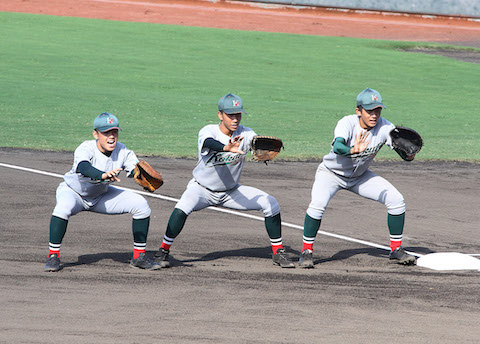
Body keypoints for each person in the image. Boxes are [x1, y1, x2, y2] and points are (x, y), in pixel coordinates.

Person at [153, 93, 294, 268]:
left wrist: (260, 151)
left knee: (270, 204)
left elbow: (255, 143)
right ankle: (163, 251)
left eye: (238, 114)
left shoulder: (246, 133)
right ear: (220, 115)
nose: (235, 119)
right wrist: (226, 147)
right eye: (230, 115)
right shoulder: (208, 131)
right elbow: (209, 143)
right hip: (201, 190)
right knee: (181, 209)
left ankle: (278, 253)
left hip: (231, 192)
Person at [298, 88, 417, 268]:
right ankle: (306, 252)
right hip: (331, 174)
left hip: (360, 177)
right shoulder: (346, 123)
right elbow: (338, 146)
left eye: (377, 110)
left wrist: (409, 156)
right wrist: (352, 150)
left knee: (396, 200)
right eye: (369, 111)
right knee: (317, 206)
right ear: (358, 111)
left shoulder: (386, 127)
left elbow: (403, 153)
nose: (374, 115)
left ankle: (396, 250)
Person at [44, 112, 160, 272]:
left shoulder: (122, 151)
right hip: (73, 193)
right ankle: (53, 256)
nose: (111, 137)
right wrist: (102, 175)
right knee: (62, 208)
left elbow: (135, 169)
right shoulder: (86, 147)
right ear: (95, 134)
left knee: (141, 205)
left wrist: (139, 175)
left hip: (100, 196)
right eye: (106, 133)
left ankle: (138, 257)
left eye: (114, 132)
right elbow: (83, 166)